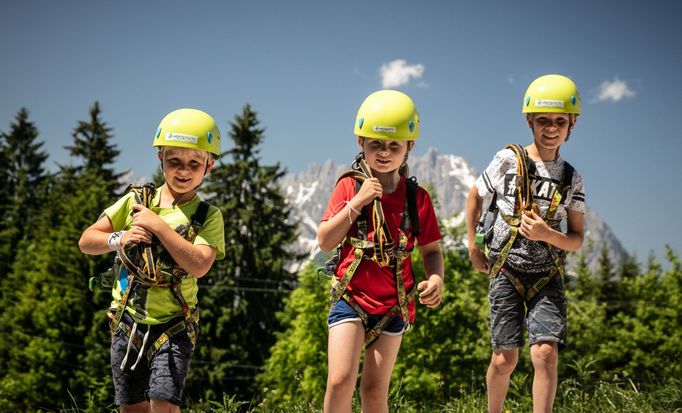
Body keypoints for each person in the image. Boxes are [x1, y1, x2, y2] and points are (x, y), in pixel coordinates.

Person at [79, 108, 225, 413]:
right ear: (160, 158)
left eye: (194, 164)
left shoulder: (207, 217)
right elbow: (87, 241)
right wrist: (119, 238)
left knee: (163, 403)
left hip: (174, 325)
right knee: (131, 408)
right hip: (127, 320)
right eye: (174, 161)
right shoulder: (136, 201)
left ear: (208, 167)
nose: (183, 171)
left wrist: (157, 225)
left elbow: (199, 264)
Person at [318, 90, 445, 413]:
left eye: (394, 146)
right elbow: (324, 240)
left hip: (393, 305)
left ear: (409, 147)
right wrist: (358, 202)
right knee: (339, 380)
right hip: (352, 298)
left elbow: (431, 250)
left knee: (375, 390)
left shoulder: (417, 200)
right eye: (376, 144)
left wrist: (436, 278)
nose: (384, 153)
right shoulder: (349, 186)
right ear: (361, 143)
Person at [466, 74, 586, 413]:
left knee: (545, 354)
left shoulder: (571, 177)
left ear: (571, 124)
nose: (551, 128)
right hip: (506, 271)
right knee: (505, 359)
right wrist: (474, 245)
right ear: (529, 121)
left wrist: (548, 235)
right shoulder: (508, 160)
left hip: (547, 276)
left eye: (559, 121)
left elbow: (577, 239)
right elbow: (475, 196)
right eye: (543, 120)